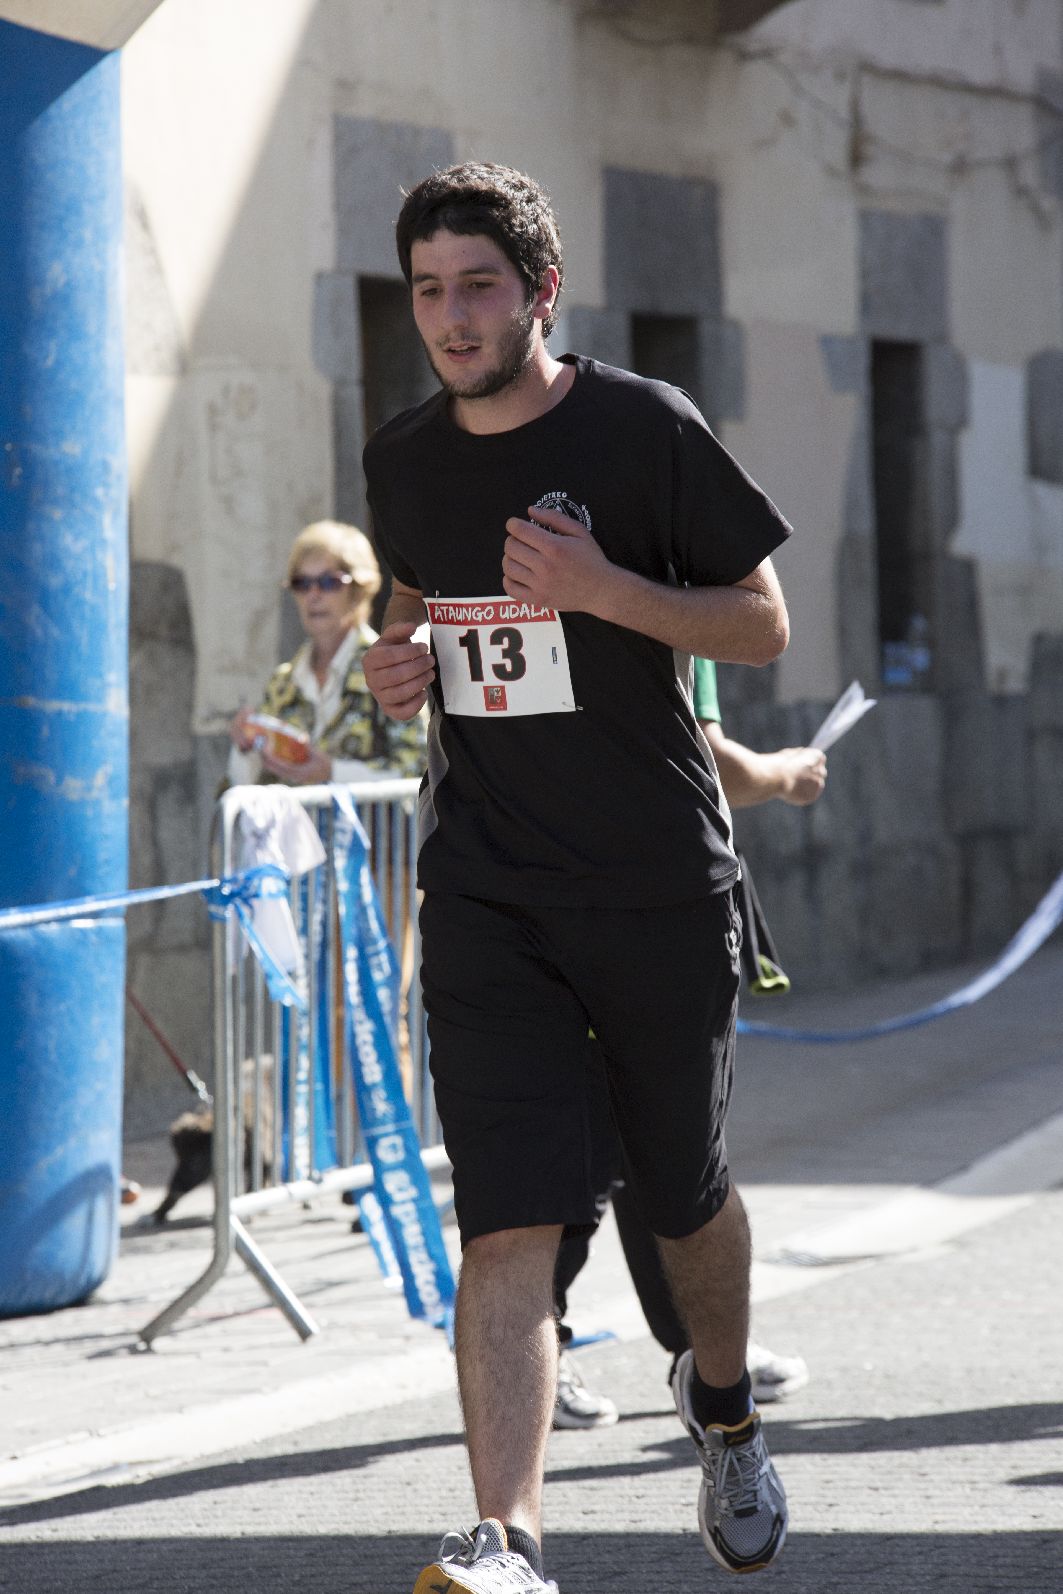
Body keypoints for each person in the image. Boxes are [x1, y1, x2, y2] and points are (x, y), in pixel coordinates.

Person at [362, 162, 794, 1592]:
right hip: (489, 888)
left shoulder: (640, 426)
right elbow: (414, 610)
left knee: (682, 1191)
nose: (450, 317)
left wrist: (605, 589)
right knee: (507, 1212)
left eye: (478, 286)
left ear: (540, 291)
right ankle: (507, 1538)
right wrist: (395, 667)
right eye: (428, 290)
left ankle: (722, 1409)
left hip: (654, 879)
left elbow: (761, 624)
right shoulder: (403, 458)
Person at [553, 656, 827, 1430]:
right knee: (606, 1152)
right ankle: (542, 1345)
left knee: (649, 1149)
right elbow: (707, 758)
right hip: (633, 911)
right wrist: (784, 774)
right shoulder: (672, 600)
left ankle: (701, 1349)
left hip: (585, 905)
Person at [227, 519, 425, 789]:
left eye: (329, 582)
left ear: (358, 590)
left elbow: (418, 773)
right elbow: (242, 788)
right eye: (302, 583)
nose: (314, 595)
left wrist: (332, 772)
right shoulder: (283, 683)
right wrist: (245, 745)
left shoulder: (387, 667)